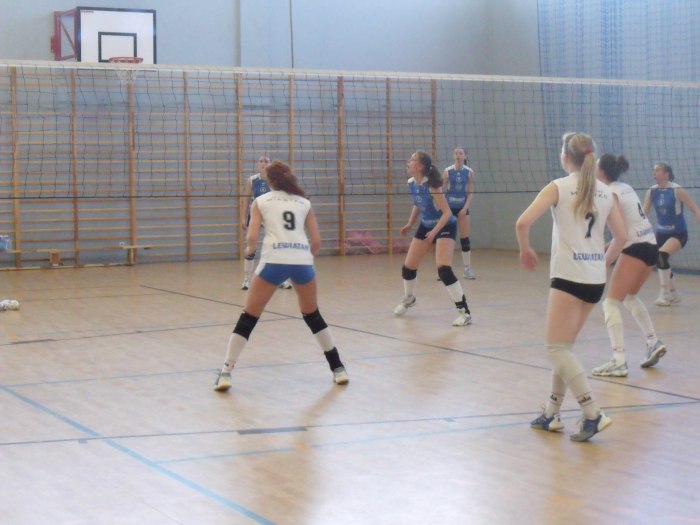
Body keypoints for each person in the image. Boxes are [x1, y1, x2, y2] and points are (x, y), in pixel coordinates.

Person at [515, 132, 627, 442]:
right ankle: (551, 412)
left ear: (566, 157)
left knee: (556, 349)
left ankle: (592, 413)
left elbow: (522, 223)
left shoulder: (559, 187)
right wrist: (602, 262)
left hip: (568, 276)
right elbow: (621, 237)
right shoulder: (606, 191)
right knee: (563, 347)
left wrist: (525, 249)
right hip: (594, 280)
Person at [214, 160, 349, 391]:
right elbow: (317, 241)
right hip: (302, 263)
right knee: (313, 315)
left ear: (269, 180)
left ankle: (226, 372)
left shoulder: (261, 201)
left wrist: (250, 248)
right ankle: (338, 368)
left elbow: (252, 236)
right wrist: (305, 258)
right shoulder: (304, 202)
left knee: (249, 317)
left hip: (274, 261)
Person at [591, 154, 667, 377]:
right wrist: (605, 249)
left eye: (596, 166)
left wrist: (604, 263)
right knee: (630, 297)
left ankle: (619, 360)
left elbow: (622, 236)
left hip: (635, 248)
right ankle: (653, 342)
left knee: (610, 303)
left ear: (602, 172)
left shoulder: (608, 193)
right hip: (650, 247)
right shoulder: (625, 187)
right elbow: (626, 231)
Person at [394, 151, 472, 327]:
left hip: (445, 226)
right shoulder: (411, 183)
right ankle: (409, 298)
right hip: (426, 225)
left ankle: (464, 312)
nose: (408, 161)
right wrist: (410, 223)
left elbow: (447, 213)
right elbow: (418, 204)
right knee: (408, 268)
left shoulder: (432, 187)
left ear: (420, 166)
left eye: (412, 159)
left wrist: (435, 232)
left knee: (444, 269)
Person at [643, 162, 700, 306]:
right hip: (660, 234)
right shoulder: (652, 191)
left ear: (666, 174)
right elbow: (643, 214)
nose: (654, 173)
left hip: (678, 233)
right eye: (654, 170)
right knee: (660, 259)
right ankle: (674, 293)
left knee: (662, 255)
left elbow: (695, 209)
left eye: (657, 170)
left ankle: (664, 294)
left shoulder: (676, 190)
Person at [240, 155, 293, 291]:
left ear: (270, 164)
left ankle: (281, 279)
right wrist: (243, 218)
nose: (263, 163)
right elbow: (246, 199)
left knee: (278, 246)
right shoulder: (252, 180)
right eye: (261, 161)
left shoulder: (276, 181)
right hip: (256, 215)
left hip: (271, 216)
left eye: (266, 161)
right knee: (251, 246)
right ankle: (247, 279)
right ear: (257, 164)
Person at [443, 146, 476, 279]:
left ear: (465, 156)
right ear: (453, 156)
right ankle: (444, 269)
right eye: (456, 153)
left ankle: (467, 269)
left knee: (465, 238)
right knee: (446, 239)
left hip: (462, 208)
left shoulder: (469, 172)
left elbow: (471, 193)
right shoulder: (447, 171)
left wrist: (464, 208)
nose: (458, 155)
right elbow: (441, 192)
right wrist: (445, 209)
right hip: (449, 209)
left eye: (460, 153)